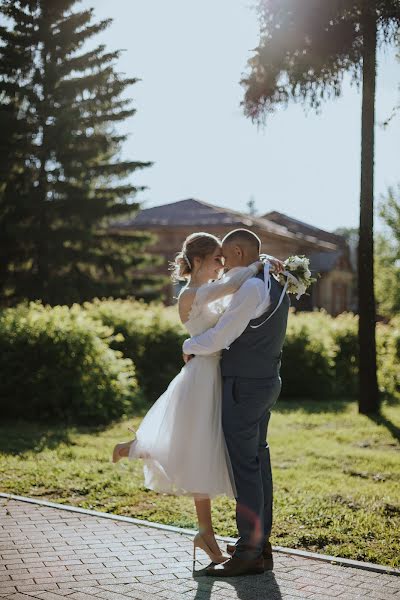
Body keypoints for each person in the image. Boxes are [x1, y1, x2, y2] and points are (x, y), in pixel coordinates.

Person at [111, 231, 284, 567]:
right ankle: (133, 448)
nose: (223, 265)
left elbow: (234, 289)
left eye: (225, 258)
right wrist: (259, 264)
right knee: (194, 448)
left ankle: (205, 532)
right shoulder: (192, 295)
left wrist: (261, 264)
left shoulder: (212, 289)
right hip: (203, 375)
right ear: (200, 260)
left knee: (202, 451)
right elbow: (227, 301)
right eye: (218, 259)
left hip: (218, 375)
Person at [182, 229, 290, 577]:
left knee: (246, 467)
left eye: (226, 259)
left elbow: (222, 336)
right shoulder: (275, 281)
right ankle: (259, 545)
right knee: (258, 462)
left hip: (244, 387)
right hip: (265, 380)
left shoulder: (252, 287)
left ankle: (247, 552)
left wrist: (190, 346)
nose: (223, 266)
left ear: (240, 253)